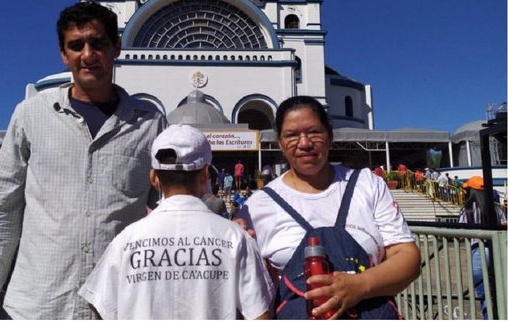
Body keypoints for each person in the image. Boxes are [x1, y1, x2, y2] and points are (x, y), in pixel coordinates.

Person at [0, 1, 166, 320]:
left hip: (118, 308)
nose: (88, 55)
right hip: (39, 308)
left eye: (98, 43)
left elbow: (170, 210)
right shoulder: (31, 116)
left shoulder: (150, 124)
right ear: (64, 54)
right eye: (76, 45)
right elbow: (0, 213)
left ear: (116, 47)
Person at [239, 95, 420, 319]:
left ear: (330, 135)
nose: (304, 143)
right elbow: (248, 290)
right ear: (280, 143)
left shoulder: (367, 184)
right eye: (292, 135)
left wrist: (360, 286)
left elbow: (407, 257)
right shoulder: (257, 206)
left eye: (314, 132)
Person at [78, 124, 274, 319]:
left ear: (154, 177)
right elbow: (259, 313)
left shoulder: (126, 240)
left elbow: (101, 304)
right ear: (205, 174)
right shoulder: (235, 238)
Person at [459, 176, 506, 320]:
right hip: (496, 250)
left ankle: (489, 317)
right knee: (500, 289)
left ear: (471, 192)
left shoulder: (467, 210)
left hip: (477, 251)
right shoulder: (495, 208)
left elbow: (461, 234)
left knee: (484, 292)